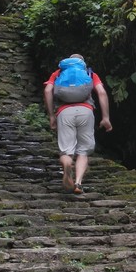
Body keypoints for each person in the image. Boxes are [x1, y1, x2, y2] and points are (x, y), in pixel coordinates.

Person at [43, 54, 112, 194]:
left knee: (66, 151)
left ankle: (67, 162)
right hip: (85, 112)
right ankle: (78, 183)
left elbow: (47, 90)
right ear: (83, 63)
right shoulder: (89, 73)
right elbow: (102, 93)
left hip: (64, 112)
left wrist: (51, 115)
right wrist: (105, 117)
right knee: (83, 151)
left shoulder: (58, 73)